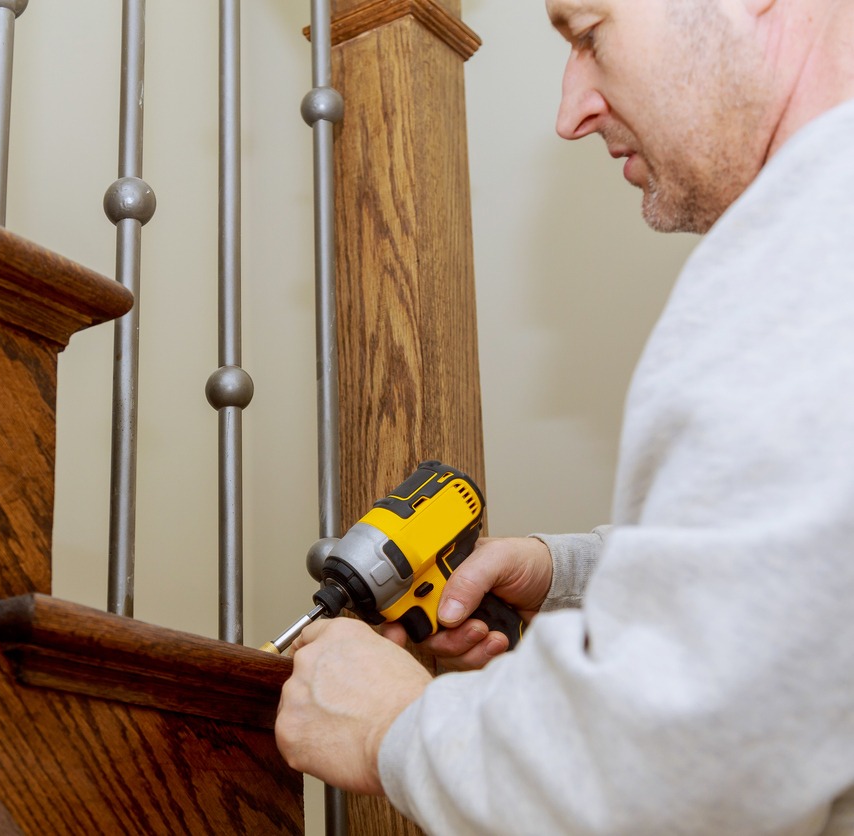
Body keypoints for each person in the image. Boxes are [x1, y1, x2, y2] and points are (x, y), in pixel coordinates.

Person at [274, 0, 854, 832]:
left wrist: (392, 728)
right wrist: (570, 575)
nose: (569, 111)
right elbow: (801, 592)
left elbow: (666, 778)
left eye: (589, 33)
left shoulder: (805, 256)